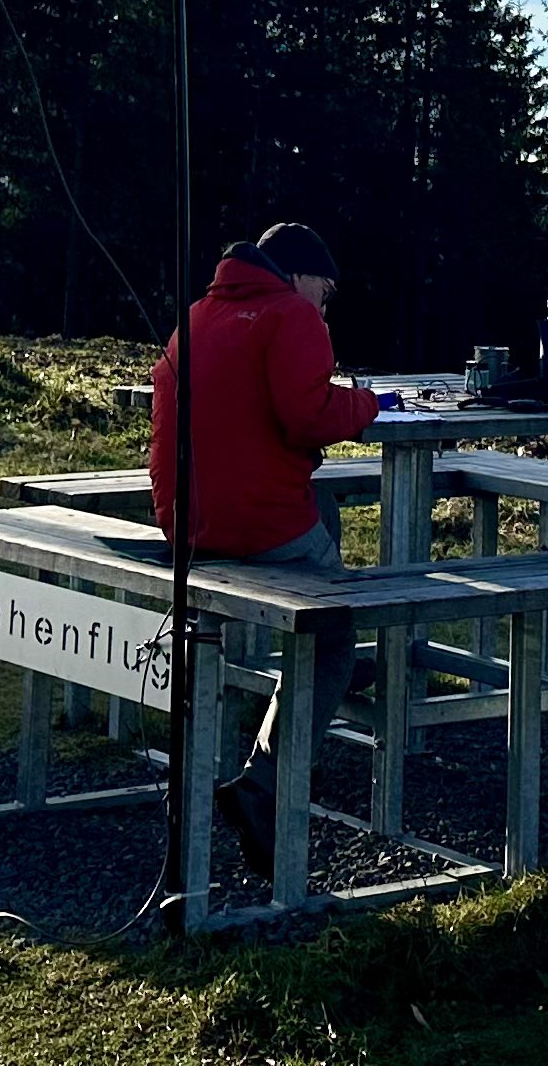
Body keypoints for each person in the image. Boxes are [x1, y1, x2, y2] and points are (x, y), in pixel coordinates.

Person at [149, 219, 384, 852]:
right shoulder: (290, 315)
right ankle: (266, 780)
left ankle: (310, 682)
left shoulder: (196, 316)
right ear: (299, 275)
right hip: (253, 524)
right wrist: (367, 402)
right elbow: (309, 415)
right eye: (324, 293)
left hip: (187, 526)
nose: (324, 307)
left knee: (323, 508)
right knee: (335, 638)